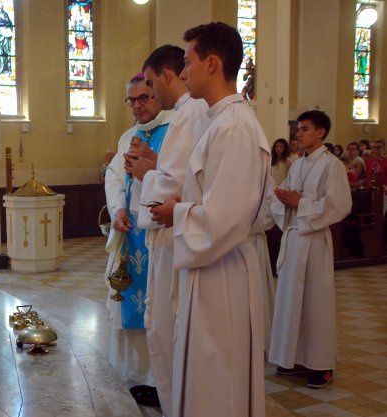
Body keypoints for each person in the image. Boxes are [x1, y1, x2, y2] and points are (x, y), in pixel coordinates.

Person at [150, 22, 270, 417]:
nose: (183, 74)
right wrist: (188, 204)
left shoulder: (234, 128)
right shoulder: (220, 122)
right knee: (206, 375)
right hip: (211, 268)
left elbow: (224, 220)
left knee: (219, 379)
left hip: (223, 274)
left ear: (212, 64)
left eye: (188, 62)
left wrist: (176, 212)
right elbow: (218, 200)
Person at [125, 44, 208, 417]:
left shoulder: (189, 116)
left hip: (175, 236)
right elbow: (184, 174)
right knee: (161, 325)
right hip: (171, 234)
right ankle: (170, 397)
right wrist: (156, 165)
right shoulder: (187, 115)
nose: (151, 94)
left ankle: (175, 402)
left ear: (167, 75)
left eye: (152, 84)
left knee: (165, 326)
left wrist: (147, 174)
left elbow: (178, 189)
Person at [269, 110, 352, 389]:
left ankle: (322, 365)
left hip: (315, 242)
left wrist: (300, 203)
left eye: (304, 129)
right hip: (294, 240)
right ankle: (292, 358)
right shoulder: (296, 164)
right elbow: (284, 198)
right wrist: (282, 200)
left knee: (316, 304)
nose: (298, 134)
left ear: (321, 133)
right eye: (297, 130)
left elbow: (339, 205)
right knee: (291, 301)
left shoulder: (332, 166)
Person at [104, 73, 169, 406]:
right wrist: (117, 209)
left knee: (158, 310)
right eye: (131, 100)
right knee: (131, 308)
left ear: (157, 95)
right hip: (130, 236)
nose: (138, 106)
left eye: (144, 97)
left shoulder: (174, 131)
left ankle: (161, 381)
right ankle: (138, 375)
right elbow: (115, 177)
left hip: (160, 235)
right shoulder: (128, 136)